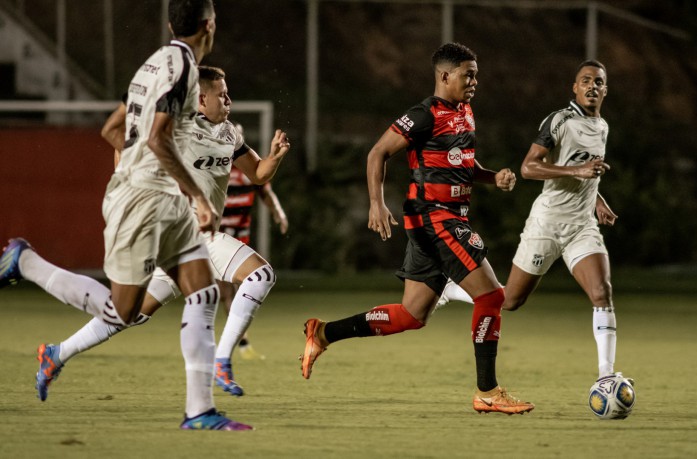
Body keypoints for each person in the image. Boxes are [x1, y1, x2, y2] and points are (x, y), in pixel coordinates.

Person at [0, 0, 254, 431]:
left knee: (204, 292)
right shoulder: (185, 70)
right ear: (210, 26)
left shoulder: (154, 63)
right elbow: (156, 139)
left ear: (174, 23)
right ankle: (25, 262)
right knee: (124, 311)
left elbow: (111, 130)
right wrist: (195, 196)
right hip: (145, 200)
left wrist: (136, 174)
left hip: (158, 197)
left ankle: (199, 412)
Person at [299, 42, 534, 415]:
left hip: (443, 218)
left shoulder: (466, 113)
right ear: (444, 75)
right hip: (435, 218)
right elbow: (377, 152)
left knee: (411, 315)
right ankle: (487, 392)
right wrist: (376, 203)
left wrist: (493, 178)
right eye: (467, 74)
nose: (474, 81)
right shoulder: (424, 114)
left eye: (476, 74)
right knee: (491, 297)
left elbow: (461, 164)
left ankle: (324, 332)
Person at [437, 60, 629, 384]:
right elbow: (528, 168)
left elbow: (587, 172)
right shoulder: (559, 120)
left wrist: (597, 199)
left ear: (605, 90)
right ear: (575, 87)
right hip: (548, 224)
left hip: (582, 226)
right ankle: (449, 289)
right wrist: (577, 172)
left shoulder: (603, 127)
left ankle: (606, 377)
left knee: (601, 291)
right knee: (509, 301)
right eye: (585, 81)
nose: (592, 86)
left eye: (598, 82)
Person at [218, 125, 289, 361]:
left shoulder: (244, 164)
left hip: (240, 233)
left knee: (243, 286)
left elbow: (265, 189)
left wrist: (279, 213)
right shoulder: (215, 163)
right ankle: (233, 345)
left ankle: (236, 344)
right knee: (223, 291)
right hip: (217, 235)